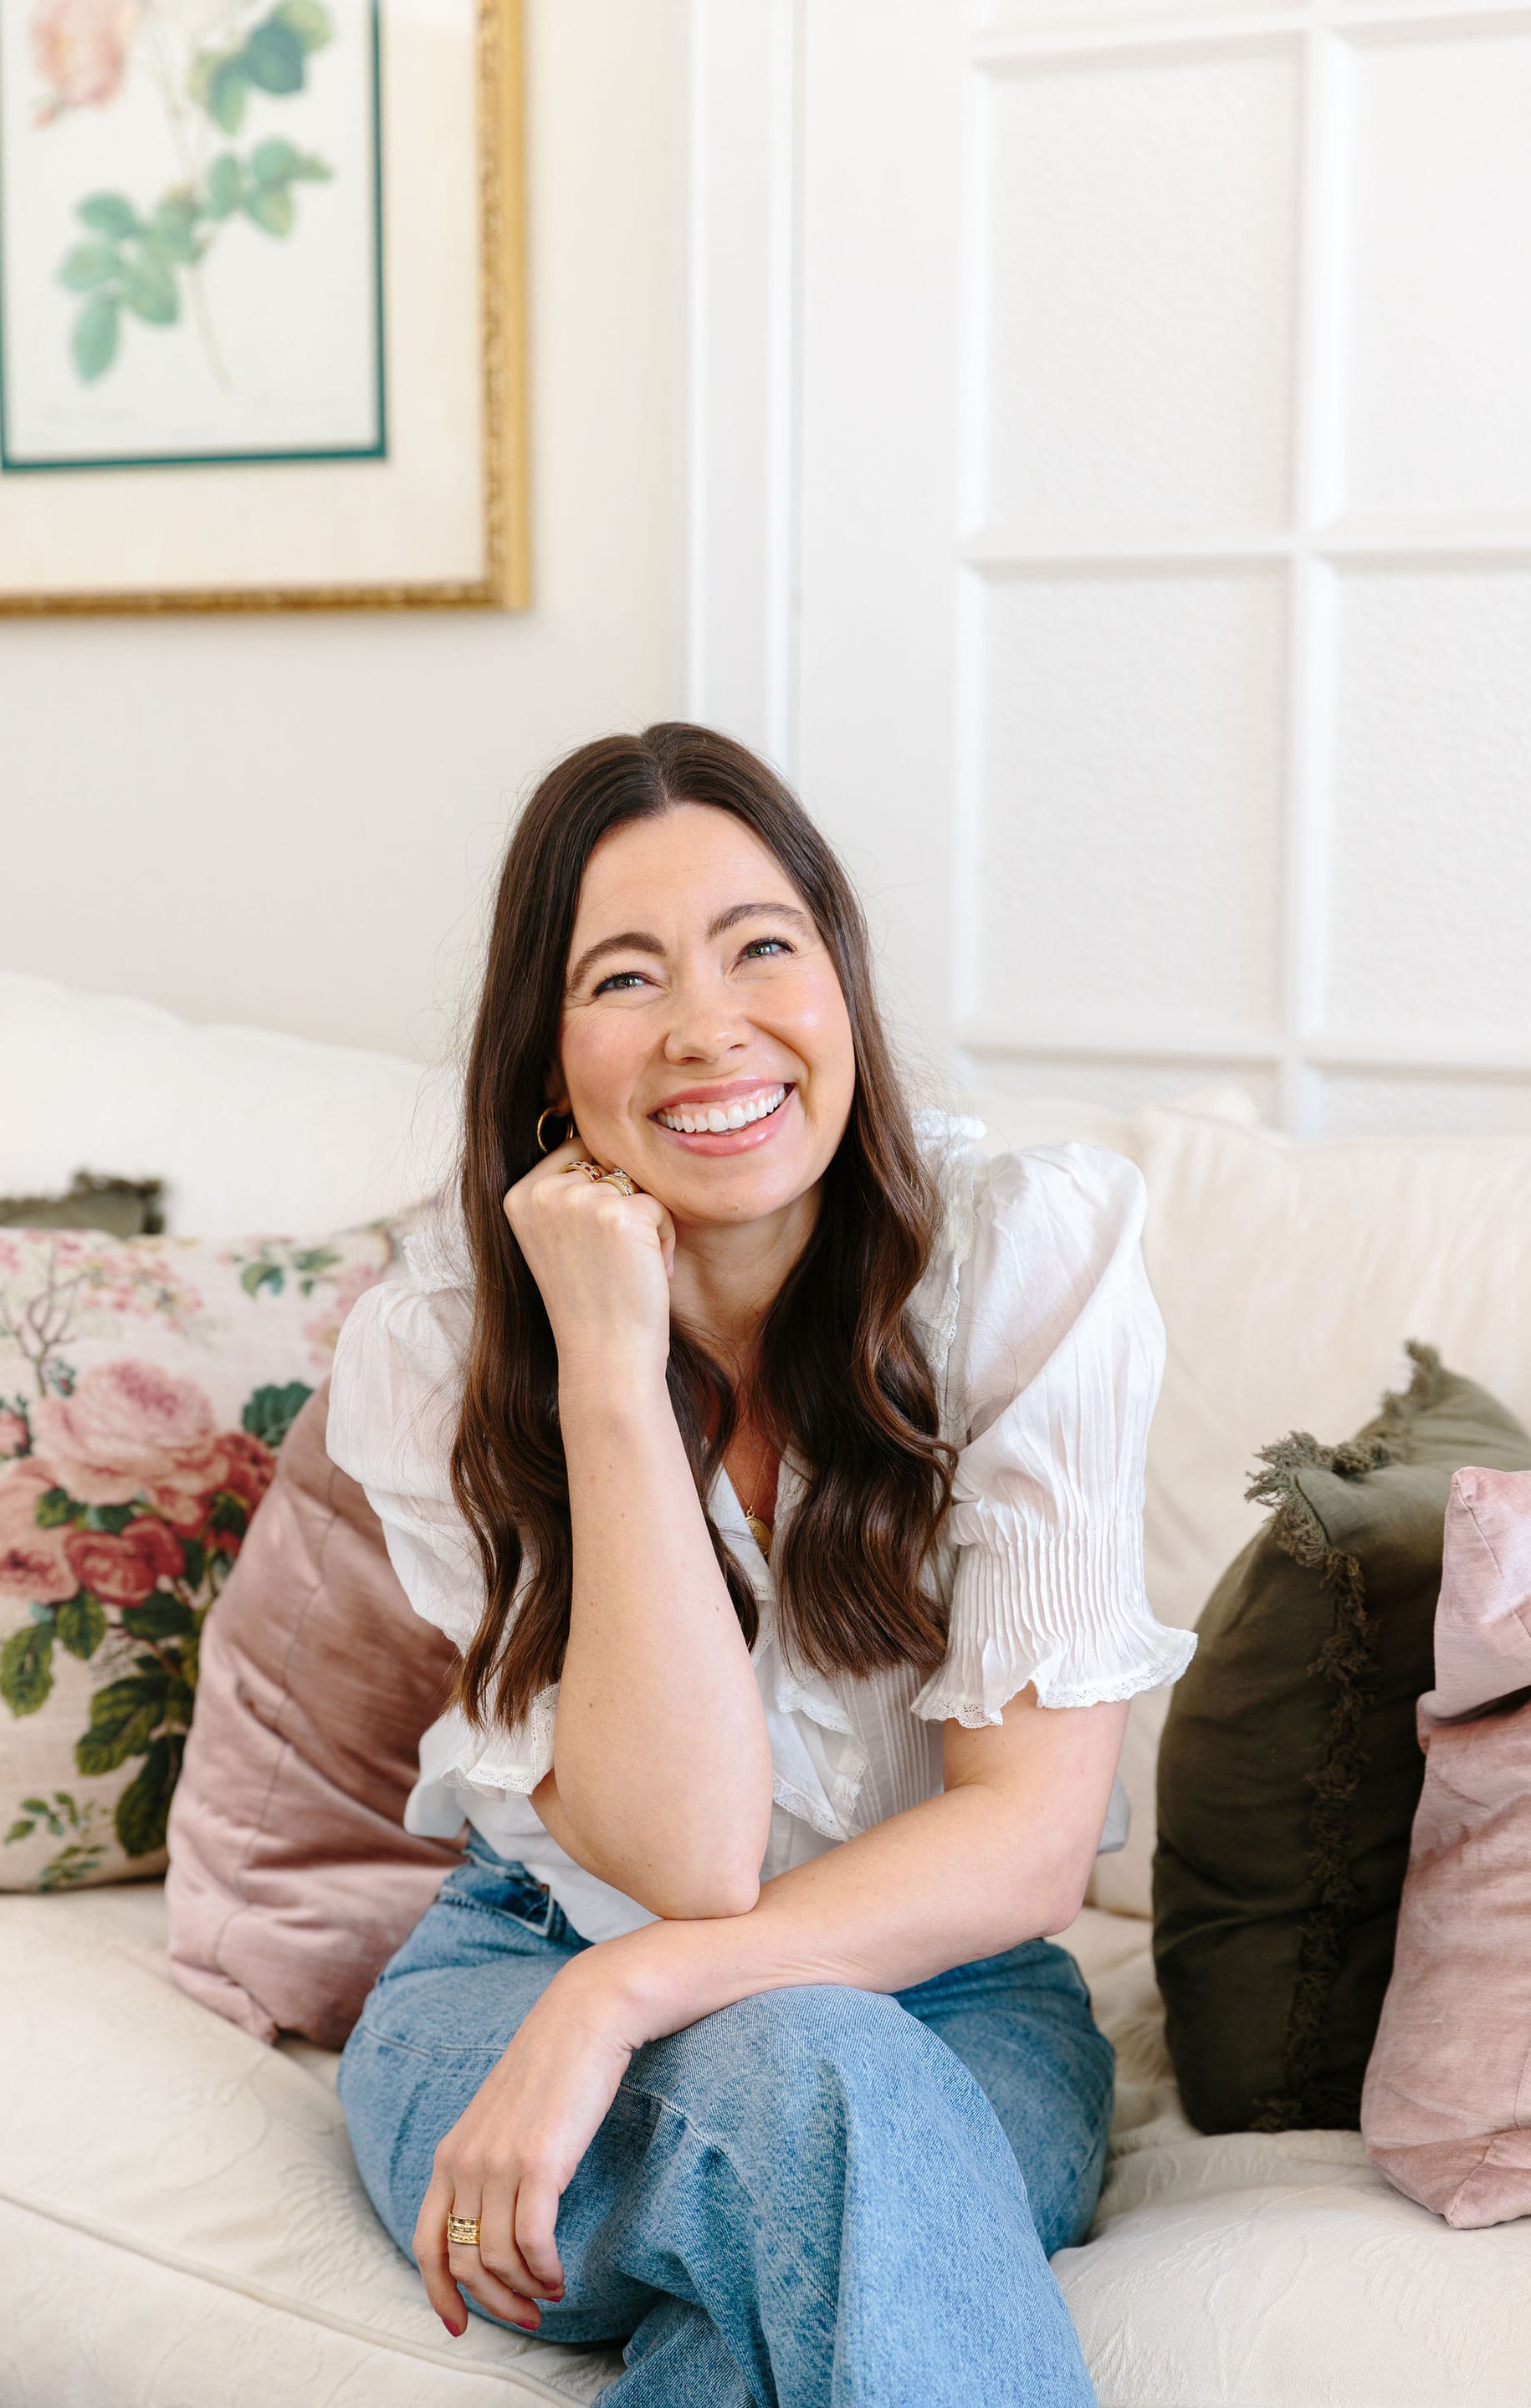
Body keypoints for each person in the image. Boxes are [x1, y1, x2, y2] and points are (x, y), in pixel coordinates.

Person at [325, 722, 1196, 2407]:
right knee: (834, 2161)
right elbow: (689, 1853)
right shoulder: (431, 1346)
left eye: (760, 948)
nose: (710, 1027)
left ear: (840, 987)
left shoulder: (1024, 1258)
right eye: (626, 977)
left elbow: (1020, 1845)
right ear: (545, 1058)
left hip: (948, 2003)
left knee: (799, 2194)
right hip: (512, 1966)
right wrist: (602, 1366)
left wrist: (620, 2004)